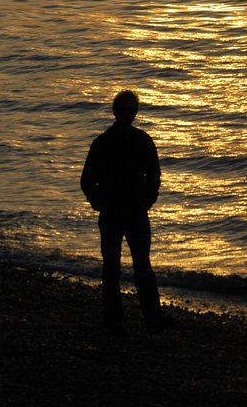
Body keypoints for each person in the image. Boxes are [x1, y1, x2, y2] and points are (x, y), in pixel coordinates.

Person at [80, 89, 164, 334]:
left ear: (135, 112)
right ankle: (113, 321)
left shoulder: (143, 140)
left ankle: (153, 320)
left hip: (137, 212)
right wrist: (99, 203)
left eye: (131, 109)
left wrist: (148, 200)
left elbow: (154, 175)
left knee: (143, 266)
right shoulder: (102, 143)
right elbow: (87, 180)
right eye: (123, 109)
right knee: (111, 268)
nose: (127, 114)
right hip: (111, 213)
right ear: (115, 112)